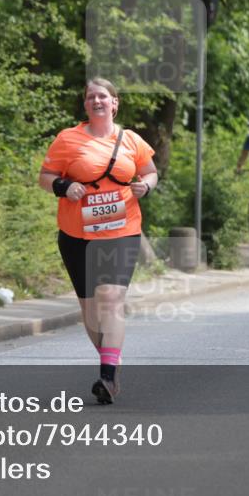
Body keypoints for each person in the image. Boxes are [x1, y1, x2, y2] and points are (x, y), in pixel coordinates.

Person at [38, 78, 157, 405]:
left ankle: (107, 374)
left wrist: (145, 186)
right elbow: (44, 179)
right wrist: (64, 187)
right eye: (91, 96)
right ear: (86, 105)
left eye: (103, 96)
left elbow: (150, 172)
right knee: (90, 311)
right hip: (77, 234)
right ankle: (112, 359)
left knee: (110, 298)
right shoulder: (67, 139)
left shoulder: (131, 140)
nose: (97, 101)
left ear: (115, 103)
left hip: (122, 230)